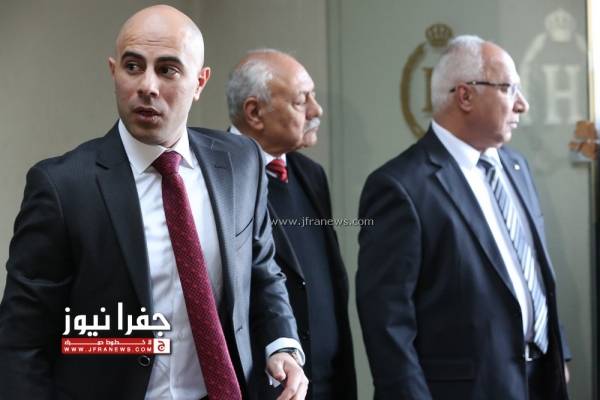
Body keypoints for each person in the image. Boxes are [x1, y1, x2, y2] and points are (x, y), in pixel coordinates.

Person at [0, 6, 308, 400]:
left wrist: (282, 345)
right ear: (114, 71)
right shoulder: (63, 188)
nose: (147, 85)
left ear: (200, 82)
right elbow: (22, 342)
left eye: (167, 70)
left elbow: (262, 270)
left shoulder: (240, 163)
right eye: (133, 67)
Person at [357, 35, 571, 400]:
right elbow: (387, 322)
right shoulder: (399, 186)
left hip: (540, 380)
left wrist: (558, 354)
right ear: (465, 96)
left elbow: (534, 273)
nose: (522, 104)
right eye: (509, 89)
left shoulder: (516, 166)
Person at [223, 49, 357, 400]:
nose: (316, 110)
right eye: (301, 101)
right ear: (254, 112)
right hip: (266, 387)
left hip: (326, 384)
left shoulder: (310, 174)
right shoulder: (217, 179)